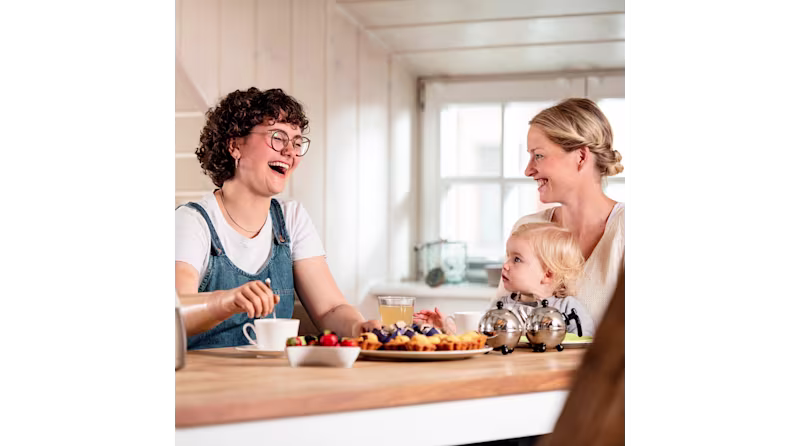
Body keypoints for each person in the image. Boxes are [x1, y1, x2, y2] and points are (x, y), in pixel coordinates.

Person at [175, 87, 381, 350]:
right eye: (278, 138)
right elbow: (177, 309)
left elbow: (330, 308)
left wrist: (357, 327)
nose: (290, 152)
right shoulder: (193, 221)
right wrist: (224, 302)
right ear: (234, 145)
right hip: (206, 385)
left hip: (273, 382)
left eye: (296, 142)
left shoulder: (291, 218)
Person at [496, 98, 625, 326]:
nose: (528, 170)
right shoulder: (528, 229)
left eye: (538, 155)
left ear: (581, 157)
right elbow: (501, 324)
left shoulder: (621, 229)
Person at [414, 222, 595, 337]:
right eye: (507, 257)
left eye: (517, 259)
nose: (505, 265)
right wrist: (446, 326)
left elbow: (585, 348)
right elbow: (477, 338)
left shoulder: (568, 309)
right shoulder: (502, 307)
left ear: (547, 274)